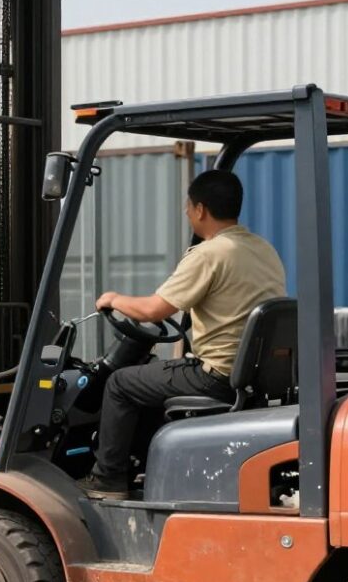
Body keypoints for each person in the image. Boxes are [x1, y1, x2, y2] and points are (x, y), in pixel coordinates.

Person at [77, 170, 286, 500]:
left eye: (188, 207)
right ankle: (145, 466)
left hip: (215, 377)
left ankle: (108, 480)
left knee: (119, 384)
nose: (187, 213)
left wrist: (113, 299)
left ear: (200, 209)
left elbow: (153, 311)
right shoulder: (263, 249)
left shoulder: (209, 254)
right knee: (147, 379)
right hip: (252, 377)